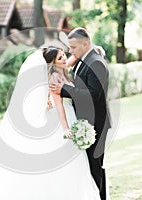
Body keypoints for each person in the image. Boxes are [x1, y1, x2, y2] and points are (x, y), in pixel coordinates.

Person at [0, 46, 101, 200]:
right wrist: (66, 128)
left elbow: (71, 60)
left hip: (70, 115)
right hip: (63, 118)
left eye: (63, 55)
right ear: (52, 64)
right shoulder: (55, 77)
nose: (65, 59)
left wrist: (92, 50)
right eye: (60, 58)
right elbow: (59, 104)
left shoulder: (62, 71)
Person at [50, 28, 111, 200]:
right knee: (90, 166)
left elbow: (93, 94)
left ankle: (100, 197)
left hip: (96, 124)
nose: (71, 51)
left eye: (74, 47)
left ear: (85, 43)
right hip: (85, 122)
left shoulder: (96, 62)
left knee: (95, 165)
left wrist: (64, 89)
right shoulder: (83, 59)